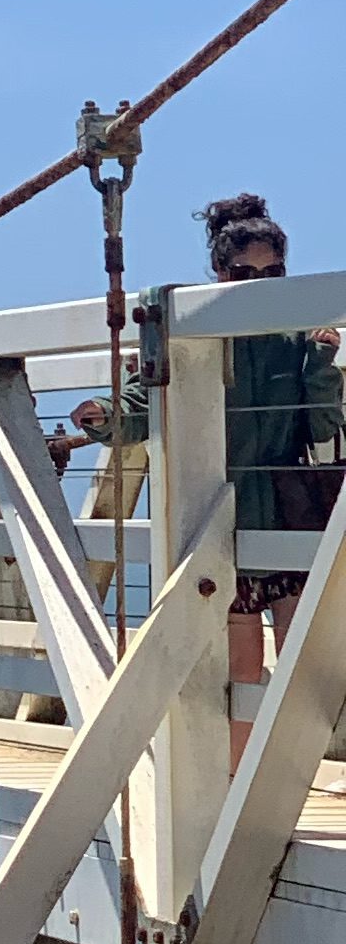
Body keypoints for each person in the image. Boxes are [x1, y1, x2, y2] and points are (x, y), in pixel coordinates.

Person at [78, 195, 341, 771]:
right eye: (244, 273)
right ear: (220, 273)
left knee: (308, 663)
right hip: (220, 522)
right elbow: (144, 406)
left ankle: (284, 783)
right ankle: (237, 790)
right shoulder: (191, 331)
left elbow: (321, 425)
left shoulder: (295, 333)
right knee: (243, 670)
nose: (259, 284)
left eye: (273, 273)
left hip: (288, 517)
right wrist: (104, 417)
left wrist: (322, 363)